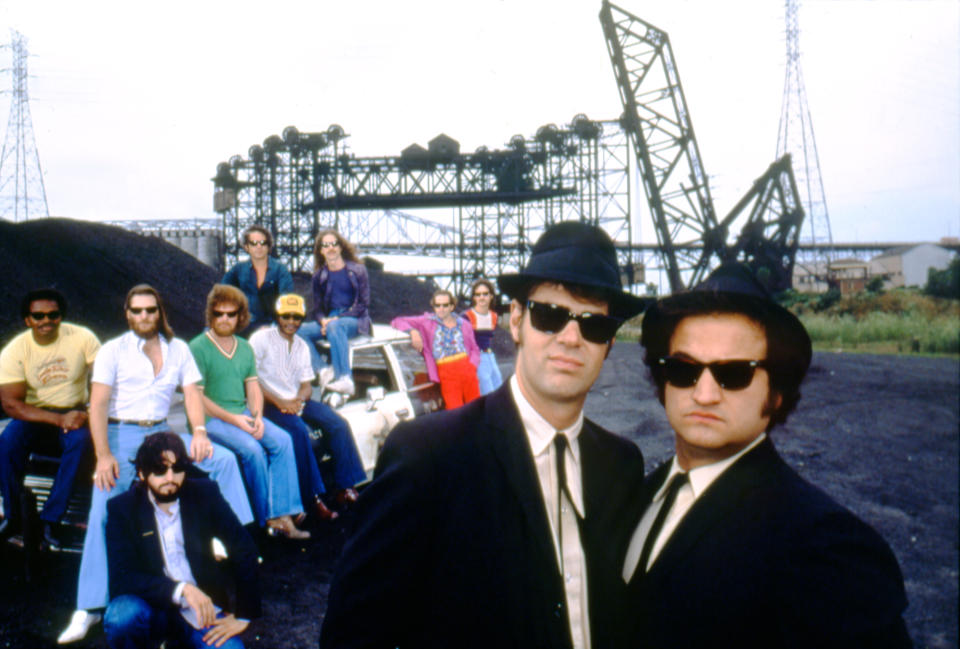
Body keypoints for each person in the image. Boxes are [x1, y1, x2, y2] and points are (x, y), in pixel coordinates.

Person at [320, 221, 648, 649]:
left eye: (593, 325)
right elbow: (352, 634)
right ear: (516, 320)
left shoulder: (621, 465)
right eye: (551, 315)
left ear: (608, 342)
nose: (571, 338)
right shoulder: (428, 455)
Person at [619, 262, 911, 648]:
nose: (704, 394)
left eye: (733, 374)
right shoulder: (638, 495)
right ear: (663, 380)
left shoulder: (826, 546)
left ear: (777, 393)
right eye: (683, 369)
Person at [58, 284, 254, 645]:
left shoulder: (178, 349)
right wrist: (103, 455)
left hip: (162, 436)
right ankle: (89, 606)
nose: (144, 317)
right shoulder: (112, 350)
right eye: (137, 311)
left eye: (150, 310)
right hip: (119, 436)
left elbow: (193, 392)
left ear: (159, 312)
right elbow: (97, 405)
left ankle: (231, 549)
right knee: (106, 511)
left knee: (222, 462)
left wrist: (199, 432)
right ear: (127, 314)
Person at [104, 432, 260, 649]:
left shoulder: (205, 493)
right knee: (121, 617)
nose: (170, 478)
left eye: (177, 469)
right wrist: (181, 590)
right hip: (151, 608)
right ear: (142, 473)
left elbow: (243, 547)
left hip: (201, 612)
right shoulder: (122, 508)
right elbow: (122, 578)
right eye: (160, 470)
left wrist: (244, 615)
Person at [189, 284, 308, 540]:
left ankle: (284, 514)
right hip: (212, 419)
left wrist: (256, 416)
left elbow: (252, 385)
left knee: (283, 440)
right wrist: (236, 421)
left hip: (241, 413)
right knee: (253, 451)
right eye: (219, 313)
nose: (224, 319)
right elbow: (197, 397)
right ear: (211, 314)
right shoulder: (198, 347)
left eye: (230, 314)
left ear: (240, 316)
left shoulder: (244, 347)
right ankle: (266, 519)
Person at [250, 294, 367, 521]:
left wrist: (299, 401)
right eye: (286, 316)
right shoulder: (260, 339)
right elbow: (252, 379)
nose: (291, 321)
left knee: (338, 423)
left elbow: (306, 385)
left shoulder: (303, 346)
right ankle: (311, 499)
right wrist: (281, 402)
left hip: (295, 401)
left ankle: (345, 487)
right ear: (278, 316)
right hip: (267, 403)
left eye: (296, 317)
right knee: (299, 433)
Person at [0, 289, 99, 549]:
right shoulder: (15, 351)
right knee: (6, 443)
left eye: (53, 315)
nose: (46, 321)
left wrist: (87, 412)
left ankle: (51, 520)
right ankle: (13, 516)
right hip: (35, 415)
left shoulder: (83, 338)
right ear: (28, 320)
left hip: (74, 410)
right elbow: (11, 404)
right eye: (38, 316)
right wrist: (57, 420)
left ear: (61, 316)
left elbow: (104, 380)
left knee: (81, 444)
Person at [297, 230, 371, 396]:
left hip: (355, 319)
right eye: (326, 245)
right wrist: (323, 321)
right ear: (321, 251)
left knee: (335, 327)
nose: (330, 248)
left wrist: (336, 319)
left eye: (334, 244)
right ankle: (323, 370)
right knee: (297, 331)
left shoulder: (358, 270)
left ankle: (345, 378)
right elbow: (317, 309)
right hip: (330, 321)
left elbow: (363, 304)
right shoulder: (319, 276)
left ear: (340, 247)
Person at [391, 289, 482, 410]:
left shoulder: (464, 324)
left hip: (466, 368)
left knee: (476, 408)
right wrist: (412, 331)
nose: (441, 309)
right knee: (454, 411)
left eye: (445, 305)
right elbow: (397, 321)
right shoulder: (426, 322)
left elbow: (474, 349)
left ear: (451, 306)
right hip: (445, 371)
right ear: (433, 306)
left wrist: (472, 366)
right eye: (437, 305)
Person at [221, 225, 294, 336]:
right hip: (243, 324)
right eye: (254, 243)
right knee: (210, 333)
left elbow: (287, 299)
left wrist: (274, 325)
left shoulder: (280, 270)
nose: (259, 246)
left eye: (263, 243)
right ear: (246, 247)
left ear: (269, 246)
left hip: (270, 324)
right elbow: (222, 293)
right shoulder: (238, 270)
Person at [462, 278, 504, 395]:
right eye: (478, 294)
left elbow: (488, 338)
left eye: (485, 294)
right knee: (488, 395)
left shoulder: (493, 316)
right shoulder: (466, 317)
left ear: (491, 296)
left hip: (490, 356)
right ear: (474, 298)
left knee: (499, 389)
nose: (481, 297)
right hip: (477, 358)